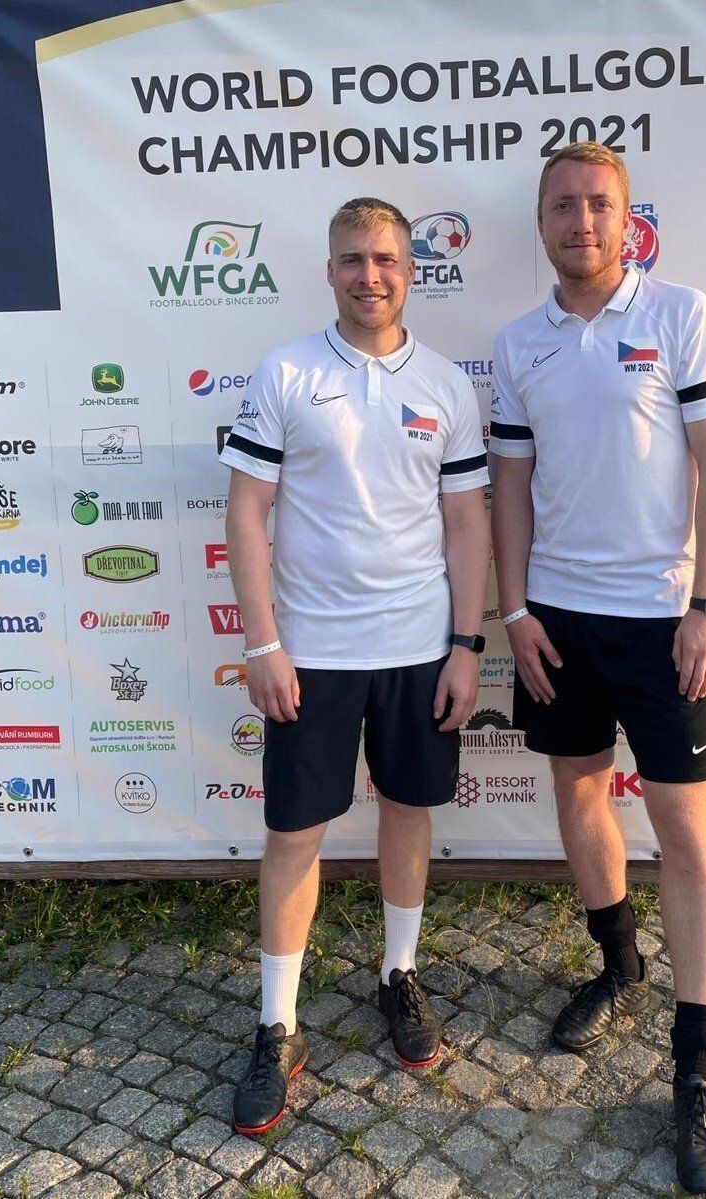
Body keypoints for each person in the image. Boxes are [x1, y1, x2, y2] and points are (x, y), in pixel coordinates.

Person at [489, 142, 706, 1194]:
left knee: (683, 825)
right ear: (541, 221)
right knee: (580, 791)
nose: (580, 220)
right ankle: (620, 965)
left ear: (627, 219)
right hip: (557, 616)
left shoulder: (680, 313)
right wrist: (513, 610)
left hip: (663, 619)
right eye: (563, 204)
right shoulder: (518, 342)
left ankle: (697, 1062)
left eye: (598, 204)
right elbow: (509, 485)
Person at [221, 197, 490, 1136]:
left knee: (408, 811)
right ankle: (276, 1023)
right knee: (295, 832)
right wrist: (262, 643)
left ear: (411, 270)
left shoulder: (448, 384)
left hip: (419, 648)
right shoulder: (286, 372)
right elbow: (245, 510)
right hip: (312, 653)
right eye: (351, 260)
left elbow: (467, 523)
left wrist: (467, 646)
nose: (369, 276)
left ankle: (399, 973)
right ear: (329, 269)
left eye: (385, 260)